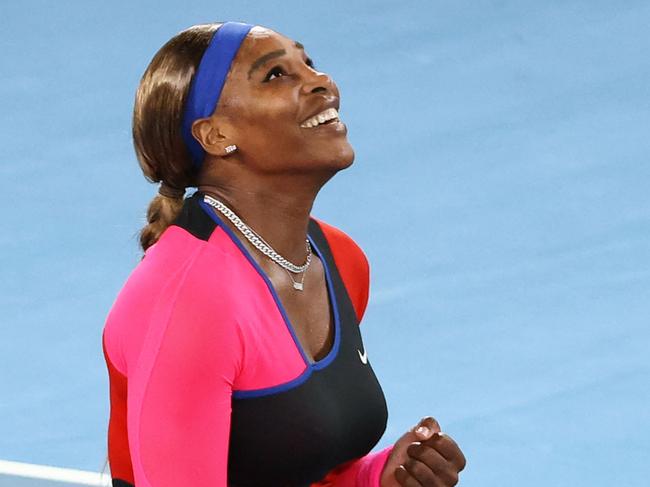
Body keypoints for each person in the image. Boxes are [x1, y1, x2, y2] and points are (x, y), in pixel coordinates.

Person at [101, 21, 466, 487]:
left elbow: (297, 467)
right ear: (215, 135)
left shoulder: (339, 258)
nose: (321, 81)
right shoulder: (190, 303)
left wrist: (376, 479)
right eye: (276, 75)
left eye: (308, 63)